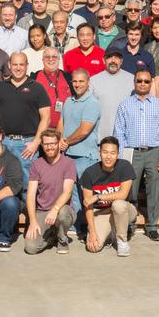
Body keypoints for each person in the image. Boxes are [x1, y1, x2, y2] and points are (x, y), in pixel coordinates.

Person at [113, 69, 159, 241]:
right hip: (132, 152)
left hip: (154, 151)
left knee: (154, 190)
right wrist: (122, 158)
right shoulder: (125, 104)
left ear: (151, 83)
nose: (143, 84)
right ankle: (130, 225)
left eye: (146, 81)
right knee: (130, 190)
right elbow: (119, 132)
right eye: (140, 81)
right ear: (134, 83)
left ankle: (152, 226)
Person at [0, 52, 52, 196]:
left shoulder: (37, 88)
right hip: (4, 143)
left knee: (28, 185)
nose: (18, 68)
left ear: (27, 66)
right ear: (9, 65)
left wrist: (36, 142)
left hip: (28, 144)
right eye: (15, 64)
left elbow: (46, 117)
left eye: (21, 64)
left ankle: (28, 216)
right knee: (2, 183)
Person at [59, 68, 102, 230]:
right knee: (72, 193)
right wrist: (60, 141)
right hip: (68, 155)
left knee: (87, 194)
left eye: (81, 81)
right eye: (75, 81)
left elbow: (84, 130)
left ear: (88, 82)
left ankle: (92, 228)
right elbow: (61, 123)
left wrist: (67, 141)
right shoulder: (68, 101)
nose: (77, 84)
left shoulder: (92, 103)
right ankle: (76, 226)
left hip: (86, 156)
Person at [24, 130, 77, 255]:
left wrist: (55, 209)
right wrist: (32, 221)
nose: (50, 147)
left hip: (62, 210)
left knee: (63, 213)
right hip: (43, 212)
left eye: (53, 143)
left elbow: (67, 192)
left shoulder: (68, 163)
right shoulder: (36, 164)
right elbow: (31, 195)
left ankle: (62, 239)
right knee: (30, 248)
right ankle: (52, 235)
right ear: (42, 145)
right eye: (46, 144)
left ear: (59, 143)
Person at [79, 137, 135, 257]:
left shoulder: (125, 166)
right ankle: (111, 232)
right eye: (105, 152)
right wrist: (92, 232)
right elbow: (88, 205)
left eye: (112, 153)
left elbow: (123, 194)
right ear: (100, 152)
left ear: (118, 154)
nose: (108, 157)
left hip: (124, 210)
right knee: (93, 247)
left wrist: (98, 196)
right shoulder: (89, 173)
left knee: (118, 204)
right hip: (101, 212)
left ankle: (122, 240)